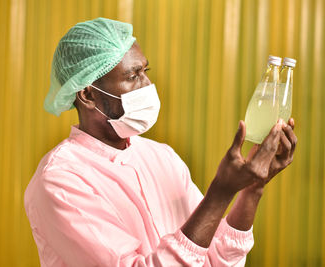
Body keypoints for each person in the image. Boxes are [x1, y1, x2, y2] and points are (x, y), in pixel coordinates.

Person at [24, 17, 297, 267]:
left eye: (146, 71)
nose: (148, 85)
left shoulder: (161, 157)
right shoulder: (61, 180)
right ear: (87, 95)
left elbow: (216, 260)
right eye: (133, 76)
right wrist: (220, 192)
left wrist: (252, 189)